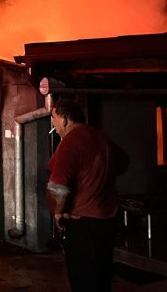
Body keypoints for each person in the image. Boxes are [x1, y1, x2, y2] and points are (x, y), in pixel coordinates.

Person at [47, 98, 128, 292]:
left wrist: (59, 213)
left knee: (83, 278)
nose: (53, 124)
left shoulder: (70, 142)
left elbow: (59, 185)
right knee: (100, 275)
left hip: (82, 223)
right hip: (105, 221)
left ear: (65, 119)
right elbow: (123, 163)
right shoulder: (101, 137)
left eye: (54, 118)